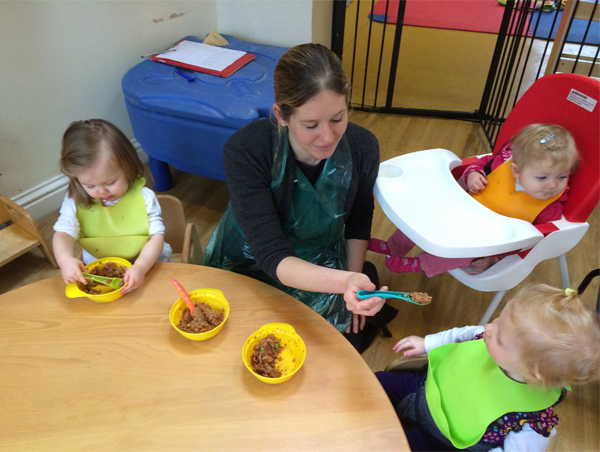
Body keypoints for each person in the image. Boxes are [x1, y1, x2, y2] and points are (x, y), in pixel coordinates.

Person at [202, 43, 394, 352]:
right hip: (252, 264)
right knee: (249, 345)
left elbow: (359, 220)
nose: (328, 137)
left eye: (338, 118)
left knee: (342, 345)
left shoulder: (362, 147)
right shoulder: (247, 150)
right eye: (310, 125)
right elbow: (270, 255)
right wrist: (343, 283)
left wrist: (353, 280)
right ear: (281, 115)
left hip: (321, 258)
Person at [375, 283, 600, 451]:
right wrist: (428, 342)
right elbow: (460, 334)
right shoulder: (488, 335)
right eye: (498, 319)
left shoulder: (531, 426)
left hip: (441, 441)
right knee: (372, 384)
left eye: (500, 338)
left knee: (382, 445)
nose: (489, 328)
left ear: (533, 373)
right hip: (422, 389)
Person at [369, 123, 580, 277]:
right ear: (516, 170)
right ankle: (393, 247)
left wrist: (496, 258)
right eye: (542, 177)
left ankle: (418, 264)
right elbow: (480, 163)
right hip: (462, 210)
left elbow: (528, 240)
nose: (553, 185)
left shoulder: (550, 208)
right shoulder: (501, 163)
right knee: (423, 217)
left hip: (482, 238)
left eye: (562, 176)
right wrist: (472, 174)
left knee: (461, 254)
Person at [53, 119, 171, 294]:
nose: (101, 191)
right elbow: (63, 233)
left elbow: (156, 237)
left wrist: (140, 266)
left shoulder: (144, 197)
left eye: (110, 182)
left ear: (128, 168)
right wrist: (65, 260)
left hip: (149, 265)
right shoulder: (74, 200)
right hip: (100, 272)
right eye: (89, 186)